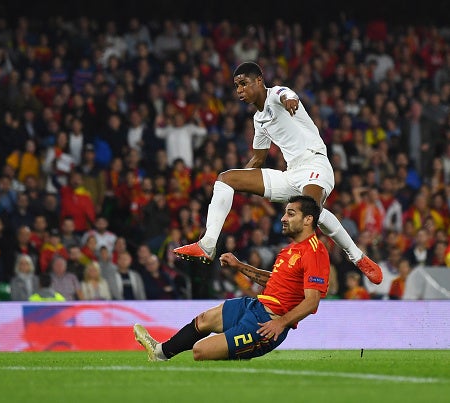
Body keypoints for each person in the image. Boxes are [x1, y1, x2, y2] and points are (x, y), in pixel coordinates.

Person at [173, 62, 382, 285]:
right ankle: (207, 244)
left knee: (307, 212)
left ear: (259, 81)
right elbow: (258, 159)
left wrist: (289, 101)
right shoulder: (258, 120)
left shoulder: (277, 95)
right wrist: (243, 183)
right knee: (226, 179)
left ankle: (355, 257)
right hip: (291, 174)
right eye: (236, 86)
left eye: (244, 84)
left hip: (315, 165)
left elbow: (287, 95)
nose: (239, 91)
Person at [134, 196, 329, 361]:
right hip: (256, 306)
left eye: (291, 214)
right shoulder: (290, 249)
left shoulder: (315, 252)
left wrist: (281, 323)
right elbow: (275, 281)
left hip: (268, 322)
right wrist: (239, 266)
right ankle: (159, 352)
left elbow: (312, 301)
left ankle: (242, 360)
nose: (284, 218)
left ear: (307, 220)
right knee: (205, 319)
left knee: (200, 351)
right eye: (285, 213)